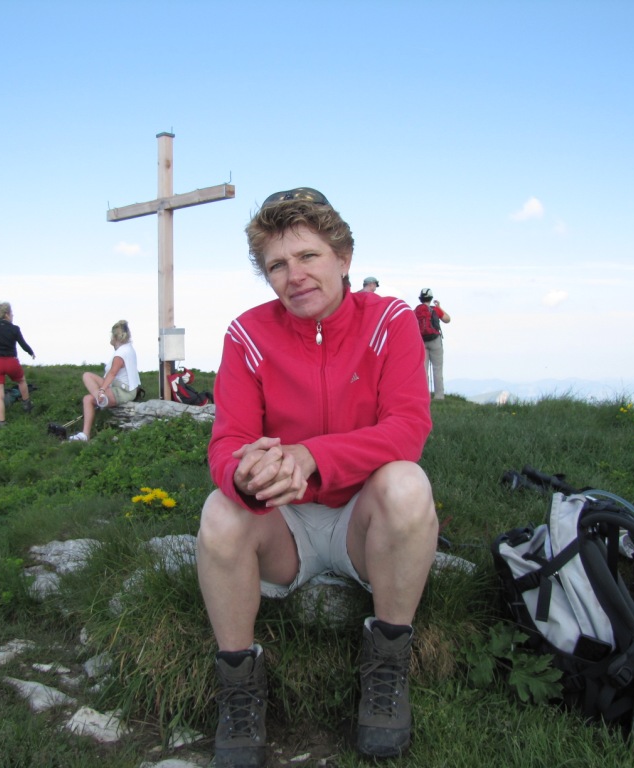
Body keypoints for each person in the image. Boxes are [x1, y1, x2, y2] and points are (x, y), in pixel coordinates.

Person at [196, 187, 439, 767]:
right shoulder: (247, 336)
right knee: (218, 509)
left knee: (408, 483)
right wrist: (247, 474)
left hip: (364, 521)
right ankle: (238, 686)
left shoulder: (391, 321)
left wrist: (312, 457)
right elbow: (226, 443)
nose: (294, 275)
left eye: (309, 256)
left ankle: (386, 666)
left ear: (344, 257)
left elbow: (408, 426)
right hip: (285, 525)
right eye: (276, 264)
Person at [68, 320, 140, 442]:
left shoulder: (121, 354)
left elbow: (112, 373)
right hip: (119, 386)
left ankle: (100, 399)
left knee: (88, 399)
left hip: (123, 390)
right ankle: (86, 433)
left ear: (115, 336)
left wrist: (102, 390)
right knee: (87, 376)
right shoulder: (126, 348)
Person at [0, 302, 35, 427]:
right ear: (6, 314)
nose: (12, 315)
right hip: (11, 361)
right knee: (21, 381)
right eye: (11, 313)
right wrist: (30, 352)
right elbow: (23, 344)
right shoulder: (14, 329)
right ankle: (26, 404)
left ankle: (2, 422)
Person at [414, 288, 452, 400]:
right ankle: (439, 396)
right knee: (437, 369)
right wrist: (439, 307)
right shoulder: (435, 310)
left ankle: (425, 395)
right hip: (435, 341)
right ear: (430, 298)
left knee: (423, 370)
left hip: (421, 341)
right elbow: (447, 319)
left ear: (420, 298)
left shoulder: (416, 311)